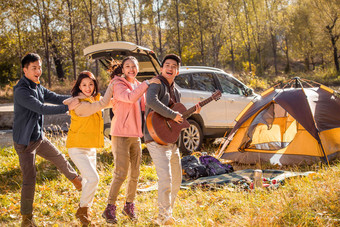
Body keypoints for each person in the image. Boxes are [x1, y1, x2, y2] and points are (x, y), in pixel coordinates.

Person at [13, 53, 82, 227]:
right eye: (34, 68)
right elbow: (41, 108)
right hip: (25, 143)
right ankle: (26, 219)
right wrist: (66, 108)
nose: (38, 71)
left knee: (59, 158)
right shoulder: (21, 90)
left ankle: (79, 183)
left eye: (40, 67)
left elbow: (54, 97)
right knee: (30, 178)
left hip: (38, 138)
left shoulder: (37, 86)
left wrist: (75, 97)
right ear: (25, 70)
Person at [102, 56, 160, 224]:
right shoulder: (117, 84)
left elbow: (144, 106)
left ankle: (129, 205)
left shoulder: (137, 85)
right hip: (120, 134)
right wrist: (147, 83)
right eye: (128, 66)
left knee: (135, 173)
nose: (131, 69)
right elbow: (129, 98)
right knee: (121, 173)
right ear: (123, 69)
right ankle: (109, 208)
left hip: (135, 134)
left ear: (137, 69)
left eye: (134, 66)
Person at [143, 54, 200, 225]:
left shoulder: (177, 91)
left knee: (176, 180)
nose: (169, 68)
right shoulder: (156, 84)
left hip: (171, 140)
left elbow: (177, 119)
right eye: (166, 65)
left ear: (177, 71)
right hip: (154, 138)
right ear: (161, 68)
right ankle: (163, 218)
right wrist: (172, 114)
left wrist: (191, 114)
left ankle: (168, 213)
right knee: (166, 179)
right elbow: (151, 101)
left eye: (173, 66)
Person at [63, 71, 114, 226]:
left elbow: (107, 102)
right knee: (94, 178)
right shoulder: (78, 104)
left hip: (90, 147)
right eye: (84, 85)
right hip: (77, 148)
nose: (88, 87)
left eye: (91, 84)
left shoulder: (92, 99)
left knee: (88, 181)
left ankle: (85, 215)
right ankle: (82, 210)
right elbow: (101, 105)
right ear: (79, 86)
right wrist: (112, 85)